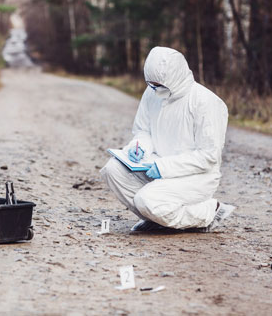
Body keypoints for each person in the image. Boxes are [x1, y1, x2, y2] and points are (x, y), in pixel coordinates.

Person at [100, 46, 235, 232]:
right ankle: (156, 220)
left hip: (194, 176)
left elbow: (208, 156)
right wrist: (140, 146)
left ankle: (207, 213)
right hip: (156, 165)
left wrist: (164, 167)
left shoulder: (206, 102)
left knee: (145, 200)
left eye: (159, 85)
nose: (155, 90)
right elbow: (142, 130)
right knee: (112, 169)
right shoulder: (152, 93)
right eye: (151, 85)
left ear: (174, 79)